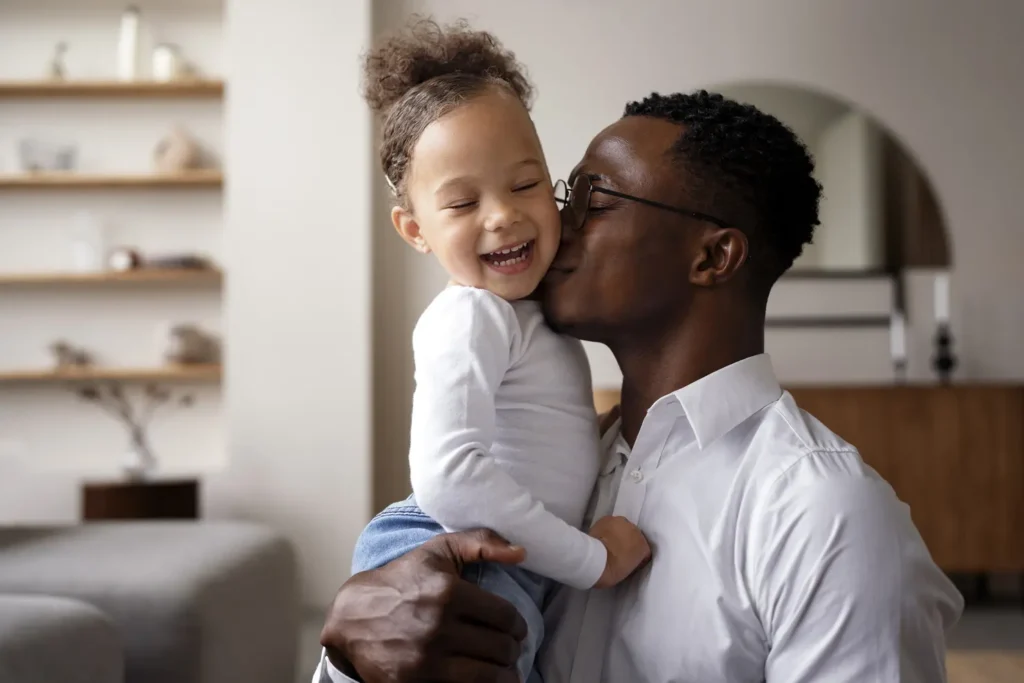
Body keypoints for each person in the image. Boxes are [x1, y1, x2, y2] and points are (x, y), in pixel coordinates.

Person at [316, 76, 964, 683]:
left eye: (593, 199)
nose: (552, 223)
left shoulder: (825, 515)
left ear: (712, 255)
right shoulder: (554, 468)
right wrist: (352, 663)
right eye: (564, 194)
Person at [347, 19, 651, 682]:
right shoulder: (472, 312)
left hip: (506, 560)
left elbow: (531, 434)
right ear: (414, 228)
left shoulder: (528, 316)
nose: (502, 215)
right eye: (461, 202)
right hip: (456, 550)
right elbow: (448, 474)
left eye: (524, 184)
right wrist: (589, 559)